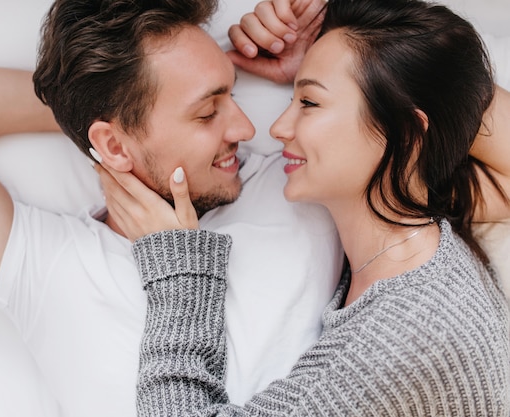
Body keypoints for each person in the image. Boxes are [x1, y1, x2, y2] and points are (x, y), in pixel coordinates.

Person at [0, 0, 343, 415]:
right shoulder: (49, 266)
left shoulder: (295, 186)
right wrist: (79, 110)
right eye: (207, 113)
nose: (244, 128)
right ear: (112, 142)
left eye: (233, 94)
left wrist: (318, 75)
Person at [96, 0, 510, 414]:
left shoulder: (406, 336)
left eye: (308, 103)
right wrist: (333, 56)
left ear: (404, 135)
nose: (277, 128)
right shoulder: (418, 219)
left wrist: (178, 266)